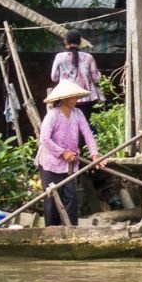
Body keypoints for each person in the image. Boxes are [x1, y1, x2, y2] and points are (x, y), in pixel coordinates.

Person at [34, 80, 99, 226]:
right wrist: (63, 153)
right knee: (52, 198)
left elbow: (87, 133)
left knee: (70, 196)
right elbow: (44, 139)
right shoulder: (53, 115)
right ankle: (51, 231)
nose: (75, 100)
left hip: (69, 162)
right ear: (63, 99)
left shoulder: (78, 114)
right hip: (51, 162)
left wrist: (95, 154)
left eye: (76, 97)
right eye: (72, 97)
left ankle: (71, 229)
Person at [50, 30, 104, 119]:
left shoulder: (60, 56)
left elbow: (54, 78)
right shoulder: (88, 57)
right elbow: (96, 78)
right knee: (84, 126)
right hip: (86, 99)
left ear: (65, 41)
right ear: (80, 42)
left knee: (69, 126)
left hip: (66, 97)